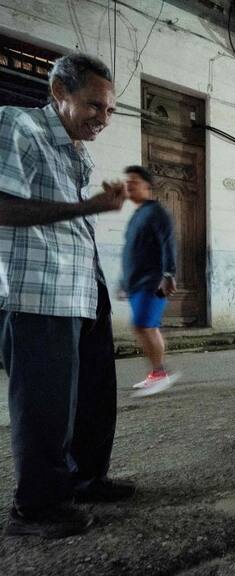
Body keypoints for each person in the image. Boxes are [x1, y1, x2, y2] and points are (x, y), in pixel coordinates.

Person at [0, 53, 135, 538]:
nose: (102, 119)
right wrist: (86, 206)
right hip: (36, 291)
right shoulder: (18, 126)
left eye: (110, 111)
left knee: (93, 395)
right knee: (45, 404)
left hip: (80, 287)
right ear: (60, 92)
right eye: (94, 106)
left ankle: (86, 478)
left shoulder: (75, 150)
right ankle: (36, 507)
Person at [120, 165, 179, 397]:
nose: (129, 185)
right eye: (128, 182)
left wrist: (168, 275)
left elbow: (168, 244)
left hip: (152, 281)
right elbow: (130, 250)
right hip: (136, 282)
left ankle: (159, 373)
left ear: (147, 185)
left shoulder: (156, 212)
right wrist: (123, 282)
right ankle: (156, 373)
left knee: (145, 325)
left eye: (134, 181)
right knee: (143, 326)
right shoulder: (137, 215)